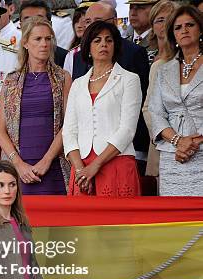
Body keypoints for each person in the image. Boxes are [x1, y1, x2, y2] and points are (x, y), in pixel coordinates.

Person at [62, 21, 142, 196]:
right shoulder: (78, 84)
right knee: (82, 222)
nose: (103, 44)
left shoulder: (129, 79)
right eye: (97, 40)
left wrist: (95, 165)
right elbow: (69, 131)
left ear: (116, 46)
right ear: (88, 47)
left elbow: (127, 130)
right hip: (81, 167)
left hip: (115, 162)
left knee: (117, 222)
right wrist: (80, 170)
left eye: (109, 40)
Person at [0, 17, 72, 195]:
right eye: (37, 39)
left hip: (53, 165)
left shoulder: (63, 77)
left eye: (48, 39)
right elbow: (0, 130)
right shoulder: (11, 80)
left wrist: (46, 161)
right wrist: (18, 164)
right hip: (18, 170)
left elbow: (68, 125)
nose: (44, 44)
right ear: (25, 43)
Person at [72, 2, 151, 170]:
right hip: (83, 158)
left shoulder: (133, 55)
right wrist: (79, 167)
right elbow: (70, 126)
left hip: (119, 154)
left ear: (114, 22)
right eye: (88, 21)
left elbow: (134, 117)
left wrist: (96, 164)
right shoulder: (77, 60)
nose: (93, 25)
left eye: (99, 20)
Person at [148, 5, 203, 196]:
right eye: (178, 27)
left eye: (190, 24)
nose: (184, 30)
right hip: (172, 155)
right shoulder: (164, 69)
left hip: (201, 151)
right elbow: (155, 111)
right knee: (174, 216)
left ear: (200, 29)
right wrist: (178, 141)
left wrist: (193, 142)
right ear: (173, 35)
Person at [141, 0, 180, 182]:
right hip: (164, 144)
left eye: (170, 19)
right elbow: (148, 108)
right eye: (160, 20)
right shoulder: (155, 63)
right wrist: (170, 138)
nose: (165, 25)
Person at [18, 0, 69, 67]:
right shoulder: (10, 55)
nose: (33, 24)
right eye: (27, 20)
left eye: (39, 19)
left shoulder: (65, 57)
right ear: (20, 25)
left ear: (50, 24)